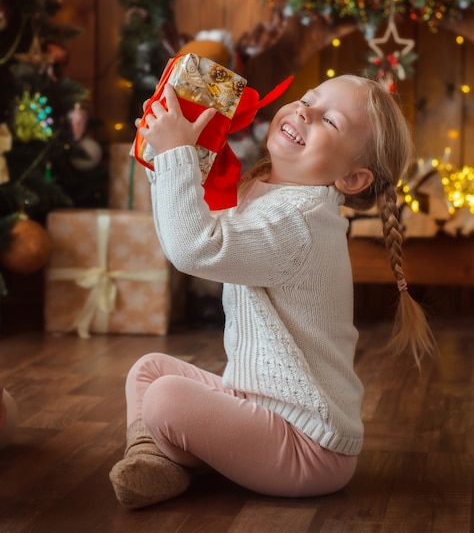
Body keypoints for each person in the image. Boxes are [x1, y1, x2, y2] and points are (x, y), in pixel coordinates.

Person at [109, 74, 436, 509]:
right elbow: (190, 211)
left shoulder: (298, 222)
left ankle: (174, 454)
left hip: (308, 442)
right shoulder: (271, 195)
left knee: (165, 397)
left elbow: (194, 246)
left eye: (329, 121)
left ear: (352, 179)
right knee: (149, 371)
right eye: (307, 99)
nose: (305, 111)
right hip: (259, 405)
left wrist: (175, 155)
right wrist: (168, 150)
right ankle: (153, 459)